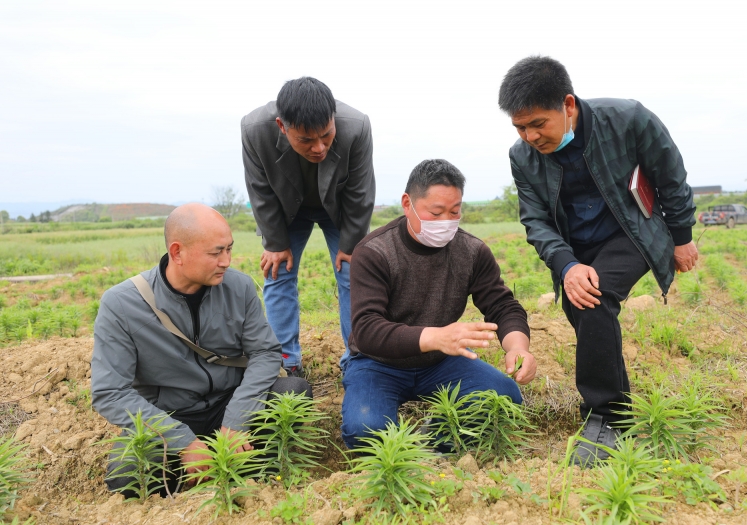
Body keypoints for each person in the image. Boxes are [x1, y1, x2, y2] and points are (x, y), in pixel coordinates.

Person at [498, 56, 699, 466]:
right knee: (585, 308)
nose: (531, 135)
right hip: (577, 248)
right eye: (520, 127)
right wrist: (567, 265)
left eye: (539, 123)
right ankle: (619, 410)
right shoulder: (522, 157)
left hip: (633, 231)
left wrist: (681, 238)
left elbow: (670, 176)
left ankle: (605, 418)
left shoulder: (626, 119)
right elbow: (535, 221)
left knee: (593, 298)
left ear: (567, 105)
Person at [92, 203, 311, 496]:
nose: (226, 261)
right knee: (128, 477)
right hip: (169, 414)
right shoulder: (121, 304)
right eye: (215, 253)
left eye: (229, 250)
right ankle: (200, 475)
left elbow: (265, 353)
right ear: (177, 252)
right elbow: (110, 392)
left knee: (293, 391)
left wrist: (237, 420)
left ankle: (253, 476)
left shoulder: (240, 288)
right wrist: (182, 441)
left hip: (228, 402)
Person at [341, 159, 537, 449]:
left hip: (441, 361)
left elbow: (502, 305)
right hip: (378, 363)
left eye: (454, 212)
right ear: (407, 204)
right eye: (436, 212)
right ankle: (397, 452)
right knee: (365, 429)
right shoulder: (375, 252)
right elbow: (368, 330)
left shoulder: (471, 251)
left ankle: (432, 443)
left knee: (504, 397)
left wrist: (519, 348)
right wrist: (436, 336)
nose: (446, 221)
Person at [241, 77, 376, 377]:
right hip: (286, 210)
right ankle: (285, 364)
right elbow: (259, 190)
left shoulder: (356, 125)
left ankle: (358, 359)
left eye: (327, 136)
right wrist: (275, 244)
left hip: (340, 209)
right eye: (306, 140)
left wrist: (351, 246)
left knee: (353, 273)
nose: (319, 147)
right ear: (281, 126)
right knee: (277, 271)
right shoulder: (254, 129)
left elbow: (360, 191)